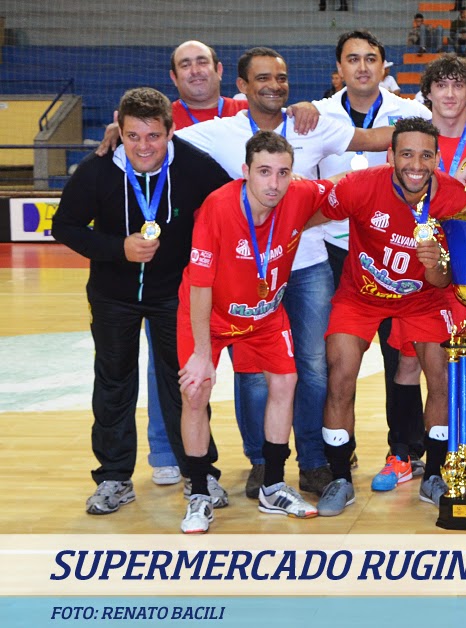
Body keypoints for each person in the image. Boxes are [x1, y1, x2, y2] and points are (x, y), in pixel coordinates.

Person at [176, 46, 394, 499]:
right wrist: (118, 131)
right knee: (254, 376)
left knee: (311, 367)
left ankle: (313, 461)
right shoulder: (221, 131)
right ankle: (262, 463)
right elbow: (159, 140)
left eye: (281, 77)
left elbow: (373, 141)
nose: (274, 86)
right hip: (246, 275)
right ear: (241, 86)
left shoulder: (311, 123)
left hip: (307, 265)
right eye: (263, 78)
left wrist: (441, 127)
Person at [53, 87, 230, 516]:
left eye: (153, 136)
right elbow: (65, 226)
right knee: (113, 384)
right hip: (113, 296)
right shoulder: (99, 168)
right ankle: (114, 478)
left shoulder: (195, 166)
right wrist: (118, 248)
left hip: (175, 295)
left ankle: (198, 474)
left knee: (185, 385)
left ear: (170, 131)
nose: (143, 147)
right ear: (119, 129)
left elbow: (230, 207)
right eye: (132, 136)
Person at [313, 117, 466, 516]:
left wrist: (436, 264)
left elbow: (446, 279)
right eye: (406, 154)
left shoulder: (453, 199)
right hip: (360, 297)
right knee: (340, 374)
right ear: (390, 155)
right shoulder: (359, 186)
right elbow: (309, 212)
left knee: (441, 376)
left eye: (425, 155)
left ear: (437, 158)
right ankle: (339, 479)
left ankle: (433, 474)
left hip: (424, 300)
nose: (416, 165)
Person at [177, 131, 332, 533]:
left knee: (286, 381)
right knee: (195, 390)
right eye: (264, 172)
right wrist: (201, 354)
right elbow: (200, 285)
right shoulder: (218, 207)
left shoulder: (298, 194)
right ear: (245, 171)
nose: (274, 183)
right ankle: (199, 493)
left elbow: (346, 191)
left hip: (263, 314)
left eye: (283, 172)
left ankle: (273, 486)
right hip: (209, 314)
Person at [311, 30, 434, 492]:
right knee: (333, 361)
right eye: (352, 59)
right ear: (338, 68)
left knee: (401, 357)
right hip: (334, 252)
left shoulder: (413, 113)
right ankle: (334, 456)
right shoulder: (315, 115)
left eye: (370, 59)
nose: (362, 67)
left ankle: (405, 449)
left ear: (384, 66)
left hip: (396, 251)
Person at [421, 54, 466, 178]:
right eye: (441, 85)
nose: (450, 94)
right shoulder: (409, 141)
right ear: (428, 93)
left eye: (458, 86)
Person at [169, 41, 249, 129]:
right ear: (174, 77)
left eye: (202, 62)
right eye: (185, 65)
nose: (195, 71)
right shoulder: (163, 117)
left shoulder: (251, 111)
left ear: (219, 70)